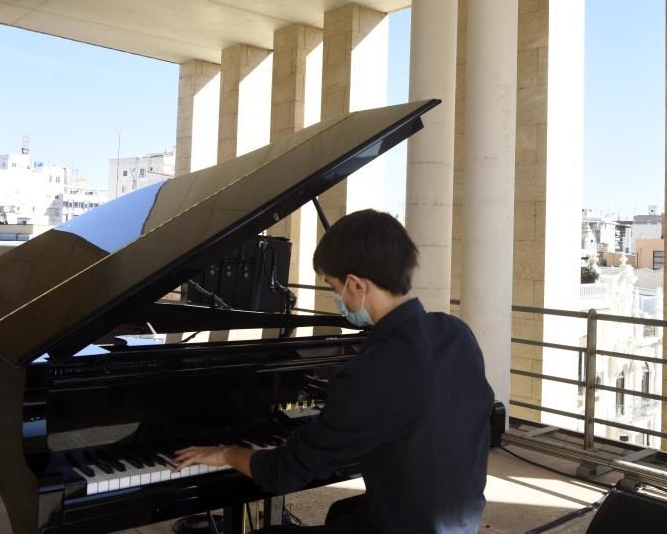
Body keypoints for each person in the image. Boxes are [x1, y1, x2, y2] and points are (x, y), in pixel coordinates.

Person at [173, 209, 495, 533]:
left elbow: (285, 472)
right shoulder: (457, 334)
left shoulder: (372, 371)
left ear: (355, 285)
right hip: (458, 522)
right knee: (343, 510)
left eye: (332, 285)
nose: (335, 297)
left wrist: (227, 453)